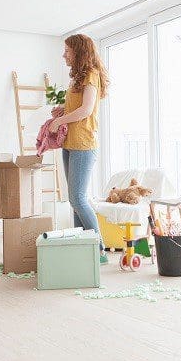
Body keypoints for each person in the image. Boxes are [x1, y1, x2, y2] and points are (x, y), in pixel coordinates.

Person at [49, 34, 110, 264]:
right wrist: (61, 109)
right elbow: (75, 106)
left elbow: (86, 110)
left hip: (84, 144)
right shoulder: (77, 77)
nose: (64, 55)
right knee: (74, 200)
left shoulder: (91, 75)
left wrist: (60, 122)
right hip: (70, 143)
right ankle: (82, 247)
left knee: (77, 198)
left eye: (67, 50)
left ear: (79, 51)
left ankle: (99, 249)